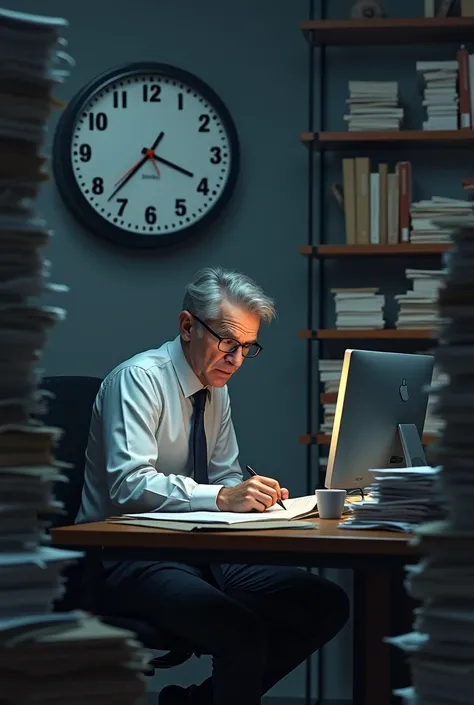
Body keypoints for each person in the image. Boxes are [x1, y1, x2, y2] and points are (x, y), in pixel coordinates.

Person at [76, 266, 349, 705]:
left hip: (195, 551)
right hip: (127, 558)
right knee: (238, 629)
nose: (236, 359)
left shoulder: (215, 388)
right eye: (227, 342)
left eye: (247, 347)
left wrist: (250, 491)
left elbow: (222, 475)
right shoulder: (139, 380)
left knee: (325, 603)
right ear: (187, 327)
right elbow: (129, 486)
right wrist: (224, 495)